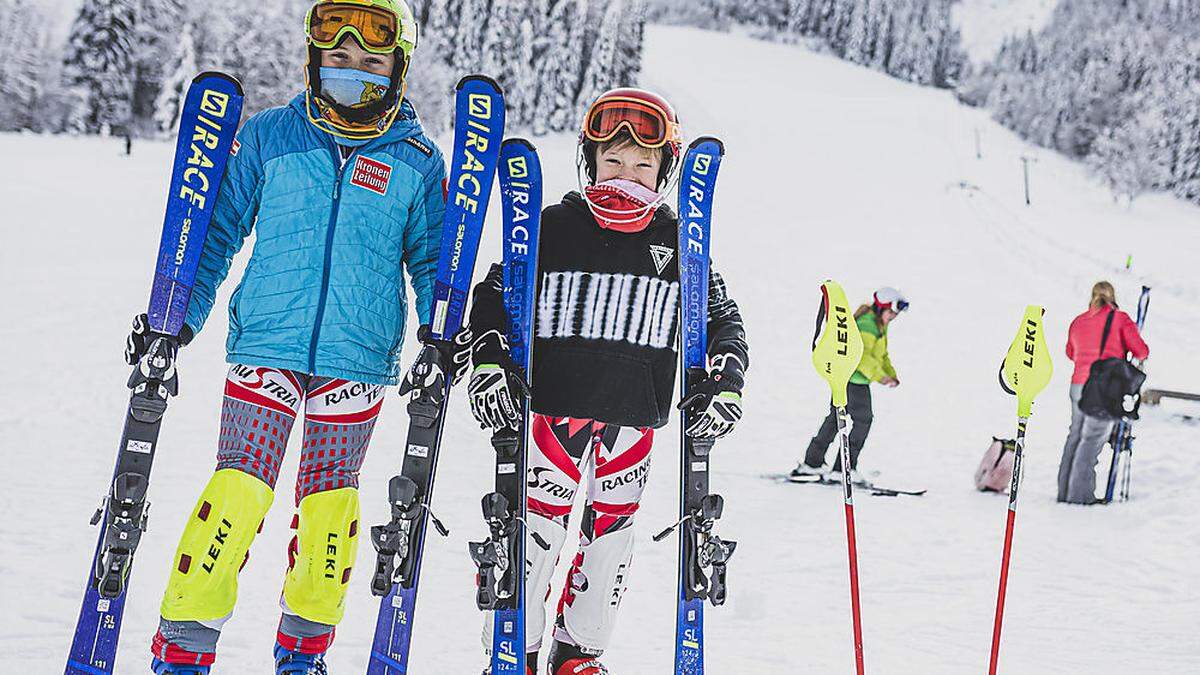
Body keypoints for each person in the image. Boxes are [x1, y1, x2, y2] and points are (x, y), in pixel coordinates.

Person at [128, 2, 466, 673]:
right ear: (315, 59)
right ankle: (184, 647)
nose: (352, 71)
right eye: (338, 59)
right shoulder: (270, 138)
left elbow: (431, 261)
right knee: (236, 493)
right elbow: (215, 234)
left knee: (329, 517)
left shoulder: (418, 161)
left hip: (359, 356)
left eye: (371, 62)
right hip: (266, 346)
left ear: (397, 69)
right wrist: (177, 322)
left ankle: (303, 653)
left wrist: (439, 335)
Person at [465, 87, 749, 675]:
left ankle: (579, 653)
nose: (627, 175)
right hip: (551, 411)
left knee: (612, 541)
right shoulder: (553, 226)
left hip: (632, 417)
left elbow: (721, 315)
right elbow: (493, 295)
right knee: (534, 537)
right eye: (613, 161)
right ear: (589, 160)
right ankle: (517, 647)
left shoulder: (678, 241)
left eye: (643, 164)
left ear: (664, 170)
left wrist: (726, 375)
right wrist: (490, 359)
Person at [789, 287, 907, 486]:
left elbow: (881, 354)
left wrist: (891, 373)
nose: (894, 317)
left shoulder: (878, 324)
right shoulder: (868, 325)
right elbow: (862, 357)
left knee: (836, 419)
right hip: (854, 380)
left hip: (849, 379)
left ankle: (813, 462)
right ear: (881, 308)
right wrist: (881, 377)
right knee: (863, 421)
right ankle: (844, 468)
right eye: (892, 312)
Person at [1057, 281, 1148, 504]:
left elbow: (1071, 352)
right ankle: (1079, 498)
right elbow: (1141, 351)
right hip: (1104, 389)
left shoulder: (1079, 321)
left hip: (1078, 384)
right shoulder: (1120, 319)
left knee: (1075, 436)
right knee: (1092, 439)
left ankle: (1064, 493)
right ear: (1112, 296)